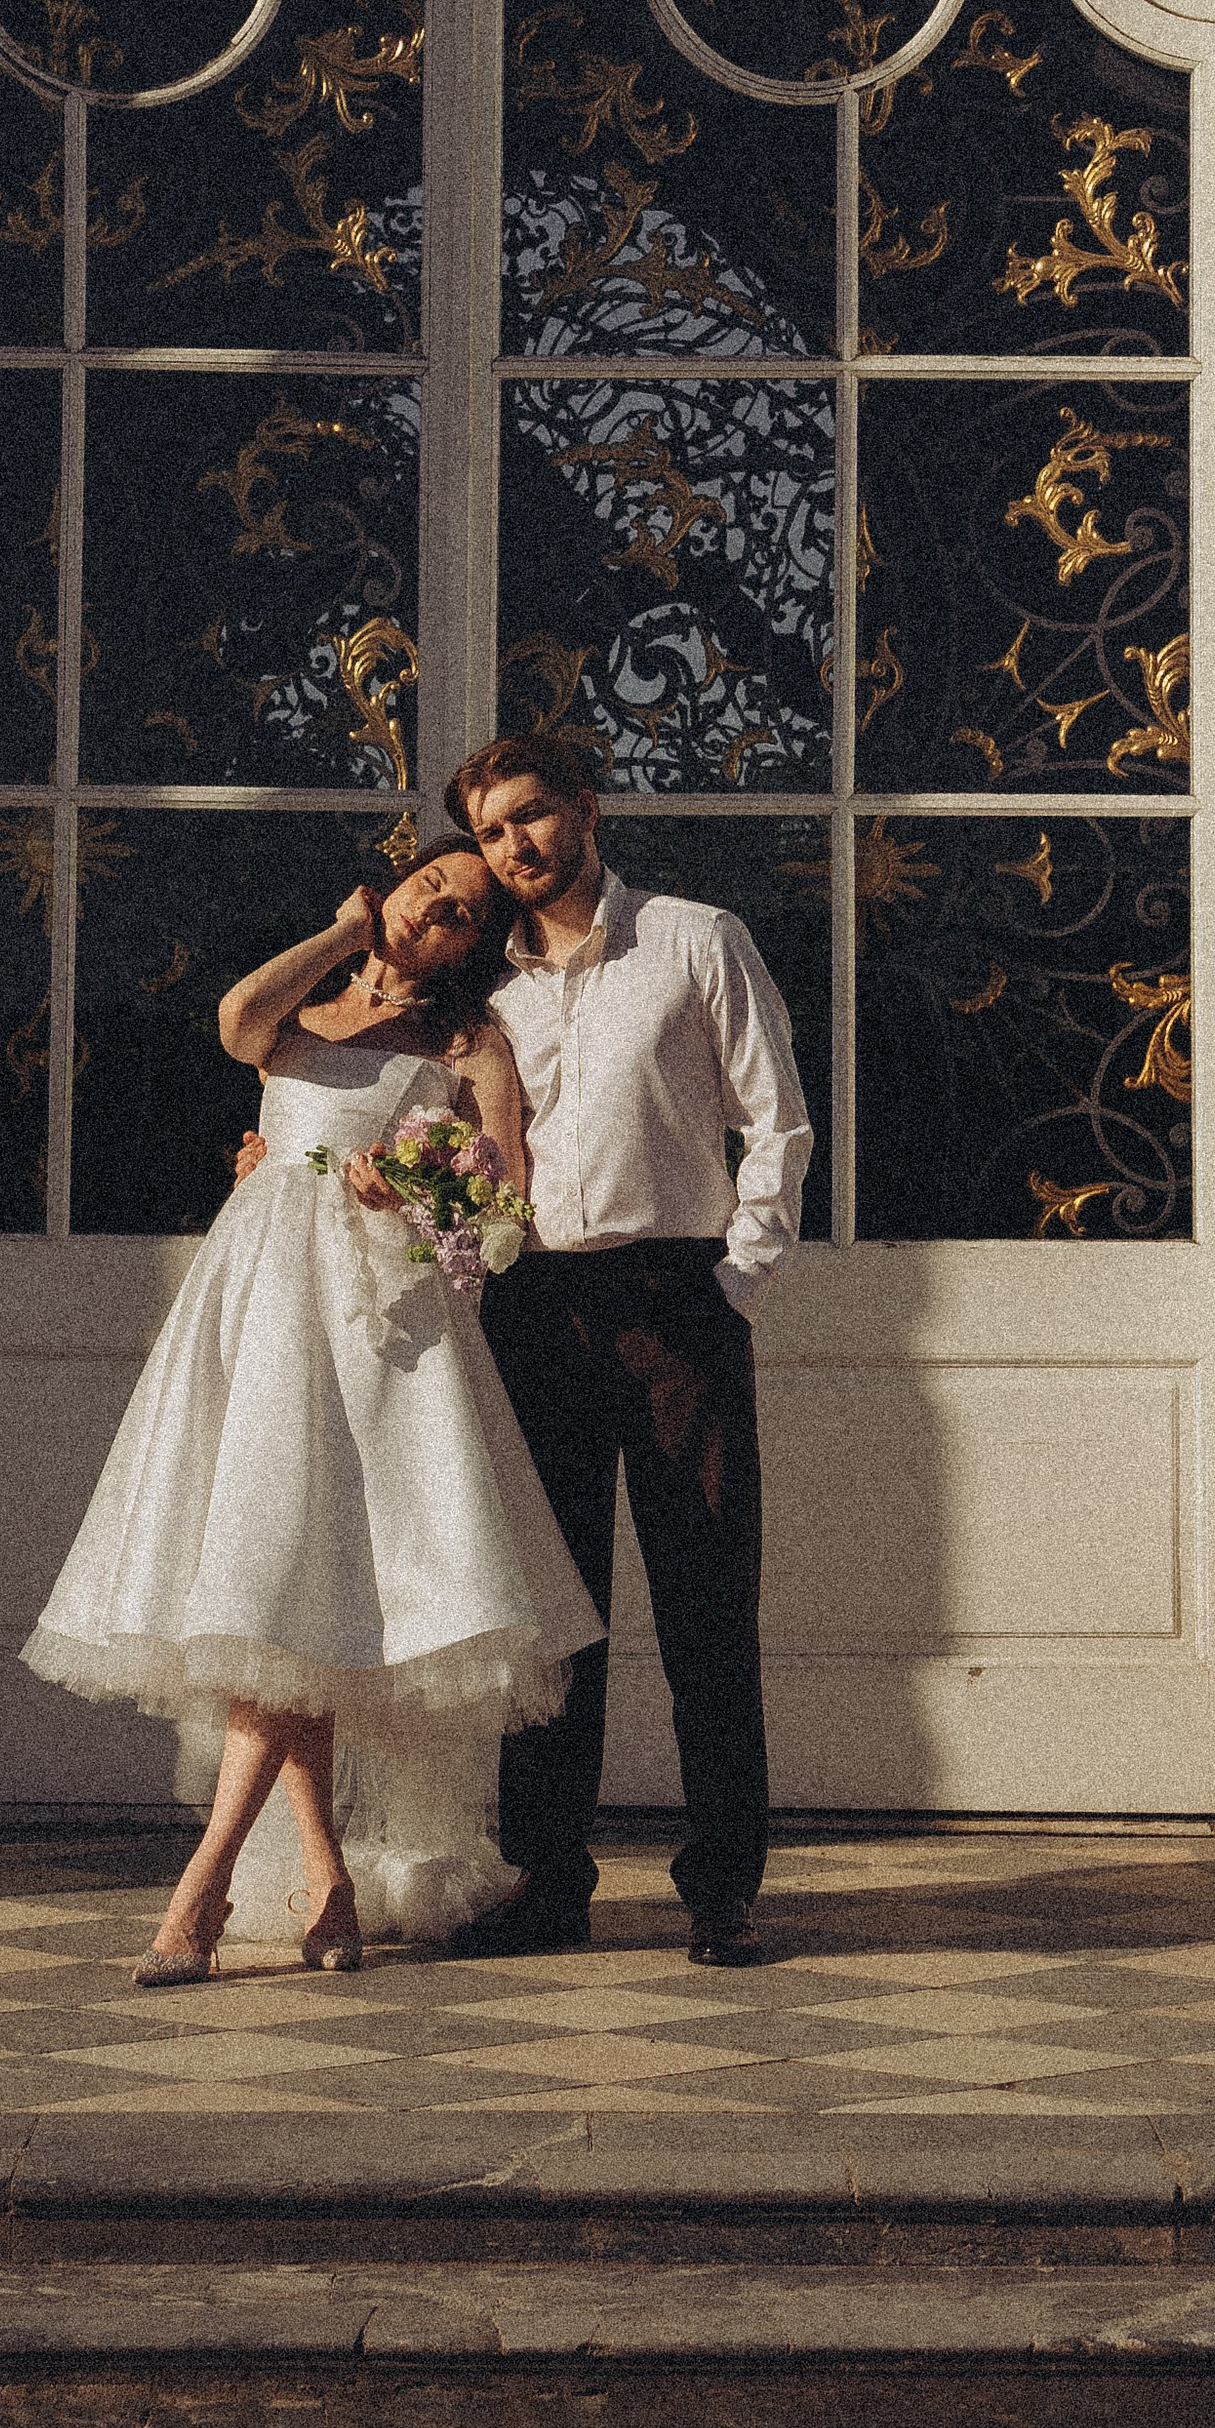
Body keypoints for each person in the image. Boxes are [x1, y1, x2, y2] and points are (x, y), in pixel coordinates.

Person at [21, 842, 603, 1984]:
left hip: (377, 1325)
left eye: (462, 914)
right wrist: (345, 935)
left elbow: (504, 1209)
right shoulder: (306, 1009)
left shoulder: (465, 1042)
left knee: (295, 1596)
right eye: (429, 886)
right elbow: (239, 1018)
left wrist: (418, 1183)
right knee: (285, 1599)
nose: (438, 911)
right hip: (256, 1307)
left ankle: (202, 1888)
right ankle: (325, 1881)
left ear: (470, 949)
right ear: (389, 888)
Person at [441, 731, 813, 1969]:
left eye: (533, 817)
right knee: (556, 1620)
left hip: (675, 1300)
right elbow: (443, 1144)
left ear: (585, 811)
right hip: (530, 1308)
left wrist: (735, 1280)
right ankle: (549, 1882)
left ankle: (722, 1888)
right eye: (492, 833)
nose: (516, 848)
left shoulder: (695, 939)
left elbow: (776, 1120)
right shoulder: (476, 988)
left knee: (707, 1602)